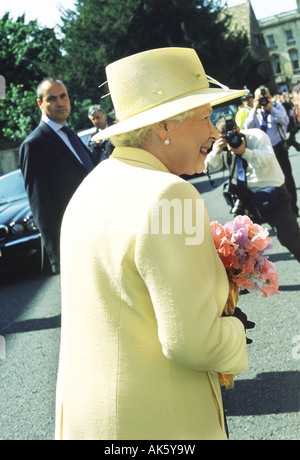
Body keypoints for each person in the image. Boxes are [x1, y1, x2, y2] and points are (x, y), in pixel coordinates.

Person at [55, 48, 251, 440]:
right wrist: (234, 331)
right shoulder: (170, 194)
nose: (215, 133)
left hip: (90, 421)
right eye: (206, 116)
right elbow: (192, 342)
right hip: (158, 421)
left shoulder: (91, 186)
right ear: (165, 125)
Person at [19, 78, 97, 275]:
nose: (60, 103)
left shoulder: (71, 135)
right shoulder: (34, 145)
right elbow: (41, 207)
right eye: (52, 99)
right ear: (40, 104)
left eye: (63, 96)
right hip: (75, 246)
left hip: (100, 234)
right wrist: (59, 258)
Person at [205, 117, 300, 263]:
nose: (231, 139)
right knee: (242, 247)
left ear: (238, 129)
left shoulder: (256, 136)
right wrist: (216, 152)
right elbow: (208, 168)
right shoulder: (223, 148)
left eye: (233, 133)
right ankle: (252, 282)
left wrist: (245, 152)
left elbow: (269, 161)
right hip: (246, 199)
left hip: (273, 194)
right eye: (225, 136)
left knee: (290, 237)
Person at [244, 86, 299, 216]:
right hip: (262, 149)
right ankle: (274, 207)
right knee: (267, 178)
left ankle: (293, 207)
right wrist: (255, 108)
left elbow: (285, 121)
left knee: (287, 178)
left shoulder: (277, 107)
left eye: (265, 98)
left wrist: (271, 109)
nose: (263, 100)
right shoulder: (253, 112)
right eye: (259, 98)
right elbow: (247, 127)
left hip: (278, 147)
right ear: (255, 99)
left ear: (269, 97)